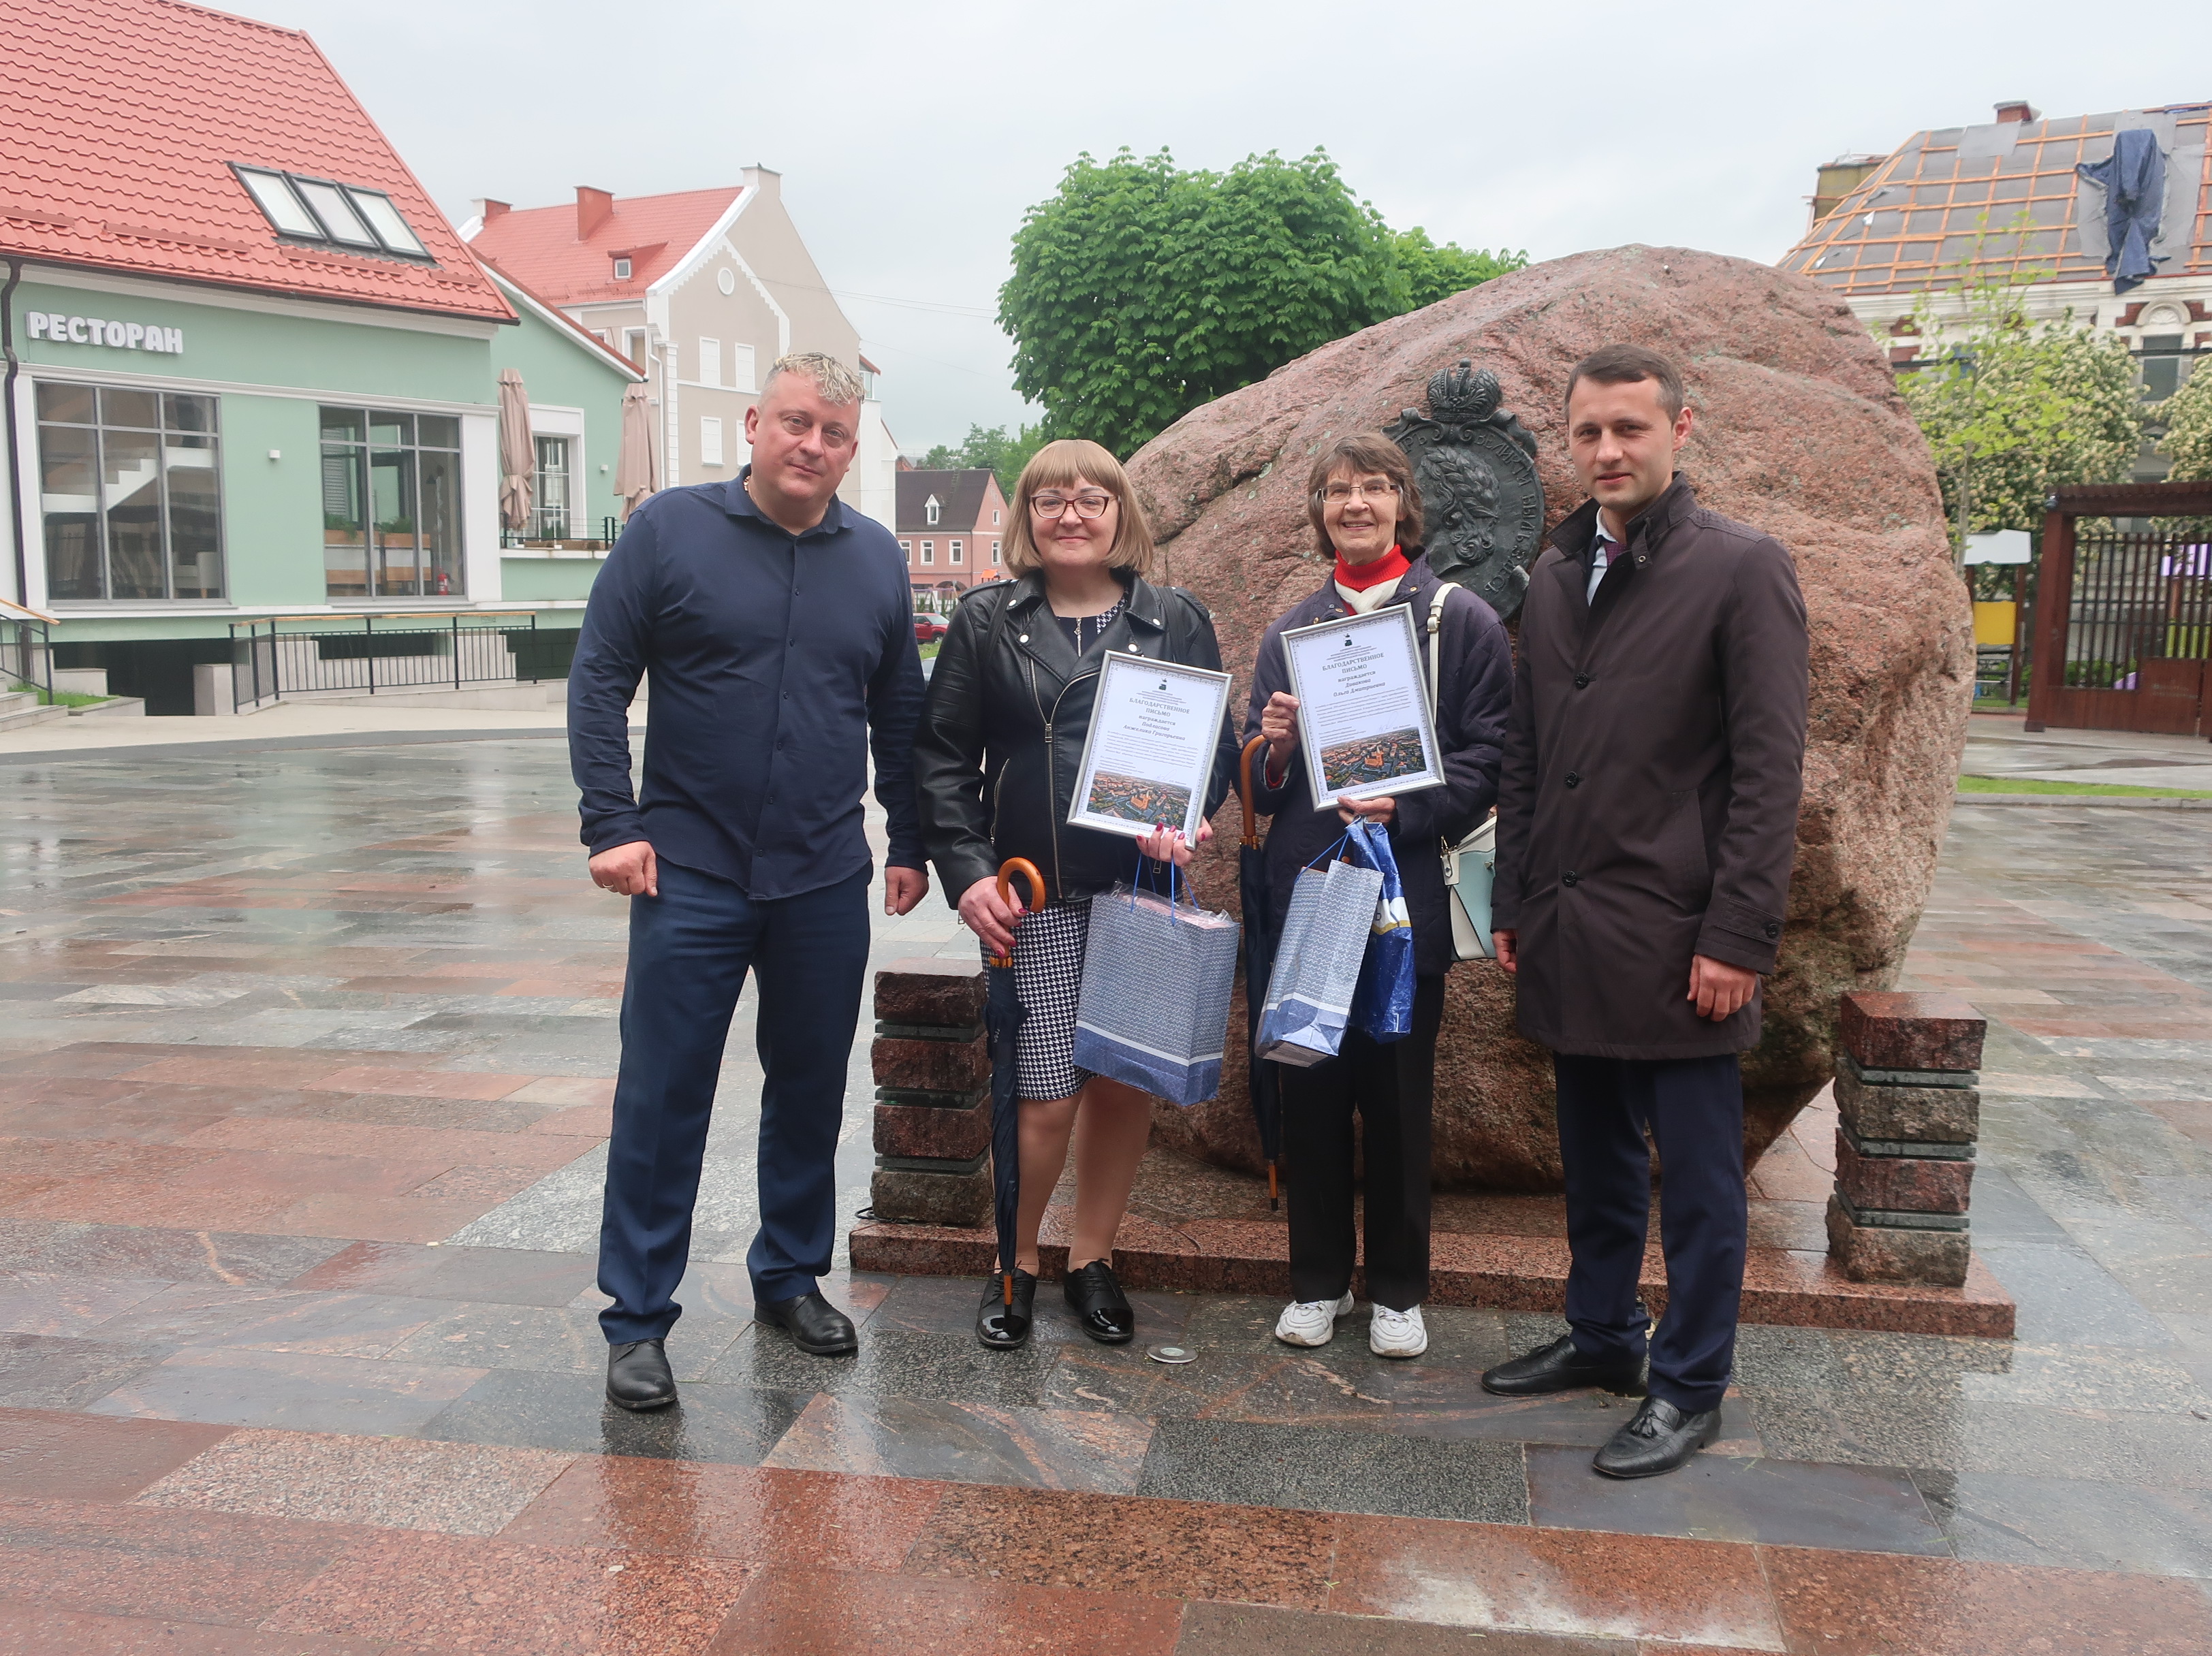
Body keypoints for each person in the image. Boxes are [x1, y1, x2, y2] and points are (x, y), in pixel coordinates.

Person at [569, 353, 930, 1410]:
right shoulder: (668, 532)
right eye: (796, 422)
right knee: (663, 1093)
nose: (812, 445)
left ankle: (789, 1276)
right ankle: (638, 1319)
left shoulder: (876, 560)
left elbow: (899, 711)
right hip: (689, 869)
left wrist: (910, 839)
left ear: (852, 449)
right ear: (753, 425)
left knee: (811, 1084)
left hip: (823, 873)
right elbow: (599, 676)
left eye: (834, 432)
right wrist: (611, 823)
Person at [1481, 345, 1808, 1479]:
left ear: (1681, 427)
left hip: (1682, 938)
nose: (1608, 450)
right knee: (1596, 1156)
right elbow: (1529, 754)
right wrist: (1514, 895)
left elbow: (1769, 775)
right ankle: (1605, 1335)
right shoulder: (1556, 575)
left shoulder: (1742, 570)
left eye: (1630, 428)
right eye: (1589, 432)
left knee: (1702, 1184)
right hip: (1571, 926)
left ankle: (1689, 1383)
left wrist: (1738, 937)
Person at [915, 439, 1238, 1351]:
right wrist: (968, 873)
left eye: (1091, 498)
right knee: (1047, 1094)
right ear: (1027, 517)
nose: (1071, 515)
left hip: (1140, 890)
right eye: (1050, 499)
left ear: (1119, 513)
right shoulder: (986, 620)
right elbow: (942, 760)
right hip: (1035, 894)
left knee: (1124, 1087)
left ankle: (1093, 1257)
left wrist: (1187, 818)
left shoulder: (1175, 618)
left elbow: (1213, 749)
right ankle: (1016, 1260)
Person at [1246, 433, 1512, 1359]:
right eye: (1336, 491)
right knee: (1312, 1097)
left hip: (1407, 894)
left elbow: (1491, 752)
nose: (1355, 504)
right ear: (1319, 511)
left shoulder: (1458, 620)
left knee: (1400, 1103)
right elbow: (1258, 780)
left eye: (1374, 487)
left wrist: (1411, 805)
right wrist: (1276, 746)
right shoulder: (1291, 633)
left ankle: (1398, 1290)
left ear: (1405, 502)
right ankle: (1317, 1283)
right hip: (1315, 893)